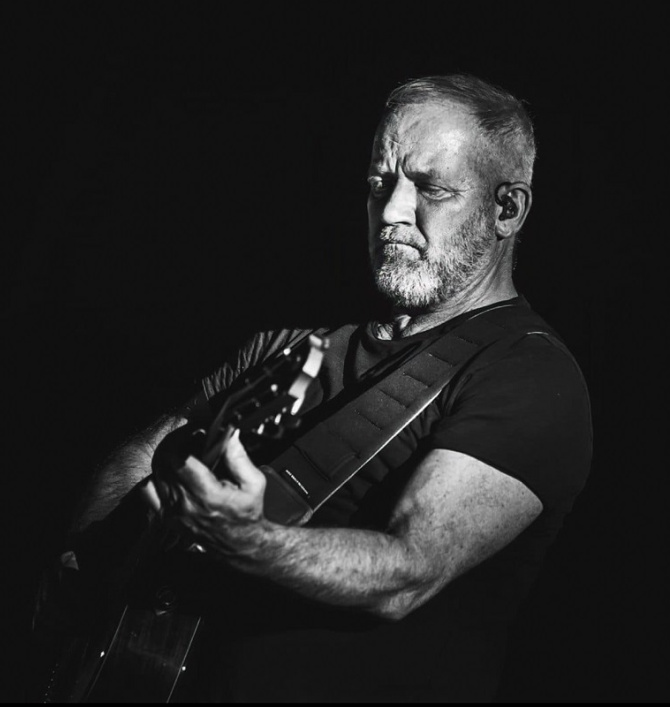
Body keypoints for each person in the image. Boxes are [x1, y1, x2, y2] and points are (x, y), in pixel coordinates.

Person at [62, 74, 592, 702]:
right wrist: (84, 567)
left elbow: (407, 572)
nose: (391, 212)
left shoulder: (528, 375)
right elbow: (147, 451)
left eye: (430, 188)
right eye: (379, 185)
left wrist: (251, 540)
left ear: (507, 210)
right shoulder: (285, 347)